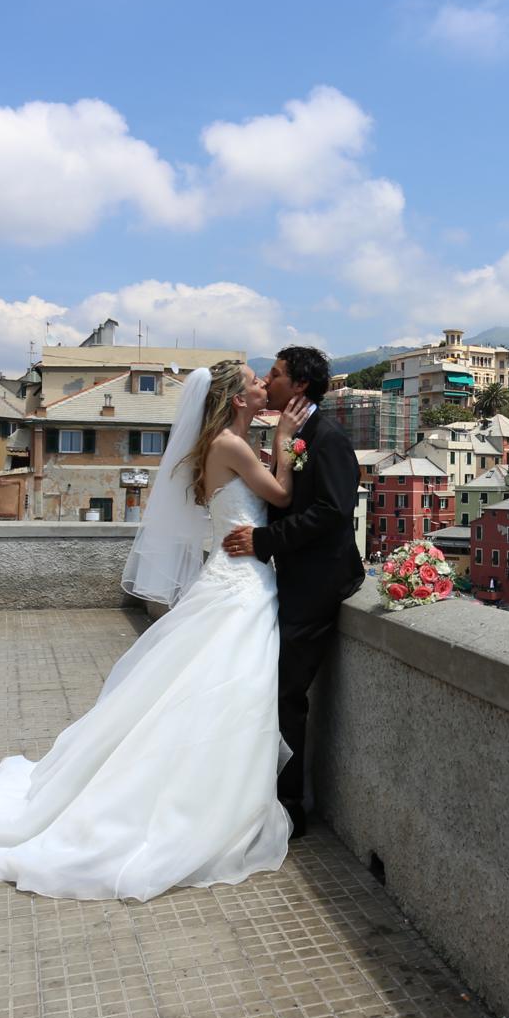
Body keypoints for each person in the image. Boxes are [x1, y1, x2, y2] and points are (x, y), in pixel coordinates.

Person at [0, 360, 304, 900]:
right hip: (241, 586)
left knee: (216, 692)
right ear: (237, 399)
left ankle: (213, 792)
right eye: (257, 381)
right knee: (231, 691)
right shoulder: (231, 447)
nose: (264, 386)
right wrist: (284, 439)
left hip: (237, 580)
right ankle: (207, 803)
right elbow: (280, 497)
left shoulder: (225, 444)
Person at [219, 346, 363, 840]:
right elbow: (287, 500)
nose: (269, 380)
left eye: (276, 375)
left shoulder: (328, 439)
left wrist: (264, 540)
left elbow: (332, 512)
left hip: (319, 583)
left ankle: (288, 806)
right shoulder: (294, 435)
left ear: (299, 386)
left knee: (285, 693)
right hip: (289, 579)